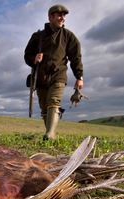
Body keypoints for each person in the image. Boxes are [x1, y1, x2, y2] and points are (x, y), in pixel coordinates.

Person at [24, 4, 84, 140]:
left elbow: (76, 57)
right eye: (59, 15)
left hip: (58, 75)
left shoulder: (68, 36)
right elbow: (27, 55)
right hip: (40, 77)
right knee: (44, 108)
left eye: (64, 15)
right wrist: (34, 58)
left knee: (53, 102)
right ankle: (50, 134)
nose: (62, 18)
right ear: (50, 17)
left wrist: (79, 76)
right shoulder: (37, 36)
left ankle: (50, 134)